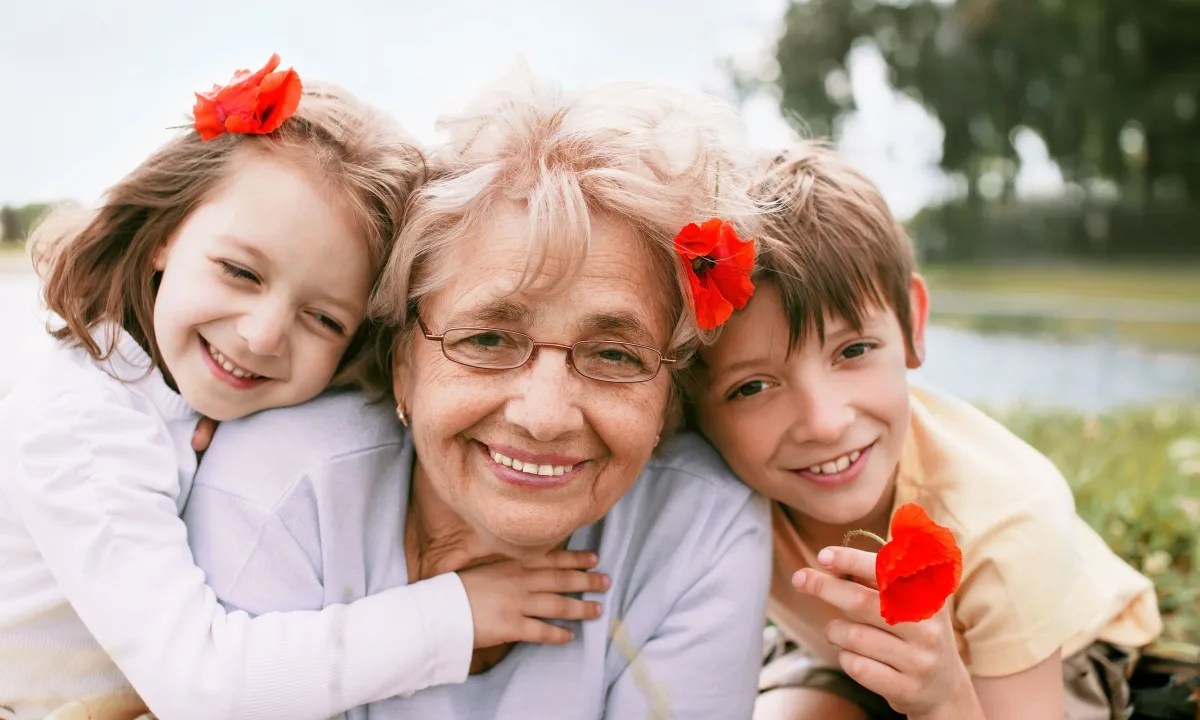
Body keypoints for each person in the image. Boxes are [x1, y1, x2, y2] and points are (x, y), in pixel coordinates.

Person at [0, 56, 599, 720]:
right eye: (239, 271)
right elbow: (201, 684)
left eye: (322, 318)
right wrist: (456, 614)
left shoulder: (187, 391)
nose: (262, 335)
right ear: (163, 236)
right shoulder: (82, 421)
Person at [183, 70, 774, 719]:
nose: (544, 417)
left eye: (613, 354)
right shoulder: (282, 486)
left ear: (667, 390)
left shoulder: (699, 531)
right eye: (490, 339)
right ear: (402, 358)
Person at [688, 142, 1163, 720]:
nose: (824, 422)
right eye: (753, 387)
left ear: (911, 322)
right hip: (838, 645)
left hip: (1048, 656)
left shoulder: (1005, 523)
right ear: (689, 406)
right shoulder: (700, 484)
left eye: (854, 350)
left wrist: (942, 698)